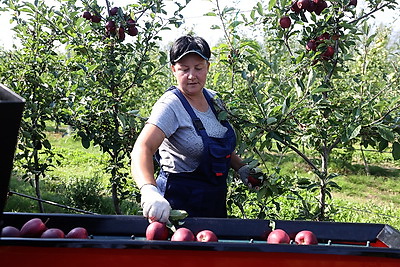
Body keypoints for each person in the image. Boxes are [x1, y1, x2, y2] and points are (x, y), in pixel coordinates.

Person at [130, 35, 256, 223]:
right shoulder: (171, 105)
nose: (191, 76)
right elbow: (142, 148)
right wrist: (149, 190)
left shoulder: (214, 100)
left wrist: (241, 167)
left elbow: (219, 145)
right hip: (178, 204)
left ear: (208, 67)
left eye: (198, 68)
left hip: (214, 204)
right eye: (184, 69)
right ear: (173, 70)